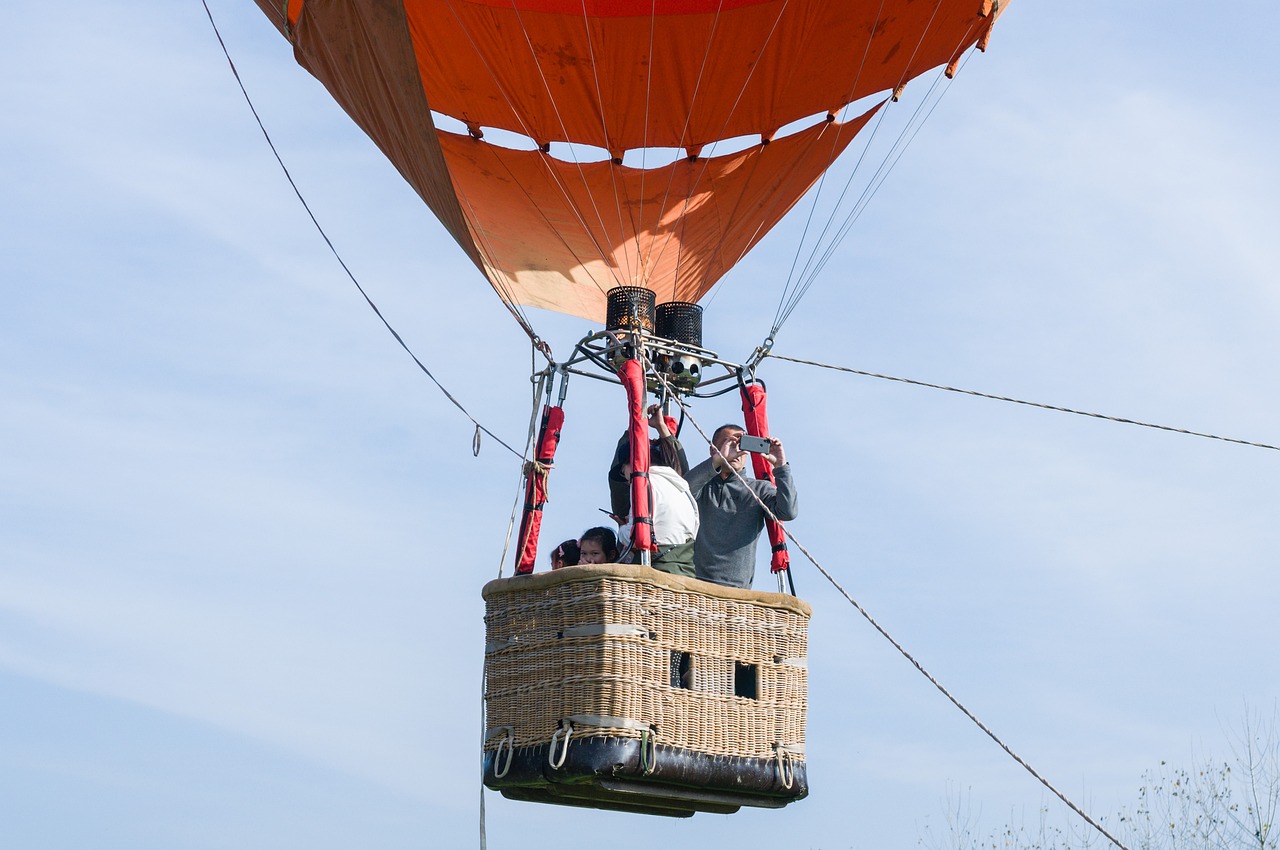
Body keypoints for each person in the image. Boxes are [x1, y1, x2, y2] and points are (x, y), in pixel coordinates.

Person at [685, 424, 798, 589]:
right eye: (729, 443)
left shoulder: (758, 489)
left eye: (741, 444)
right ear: (713, 449)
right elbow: (680, 493)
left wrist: (781, 466)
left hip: (736, 590)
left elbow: (788, 512)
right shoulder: (702, 484)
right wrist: (717, 460)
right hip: (694, 583)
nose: (735, 450)